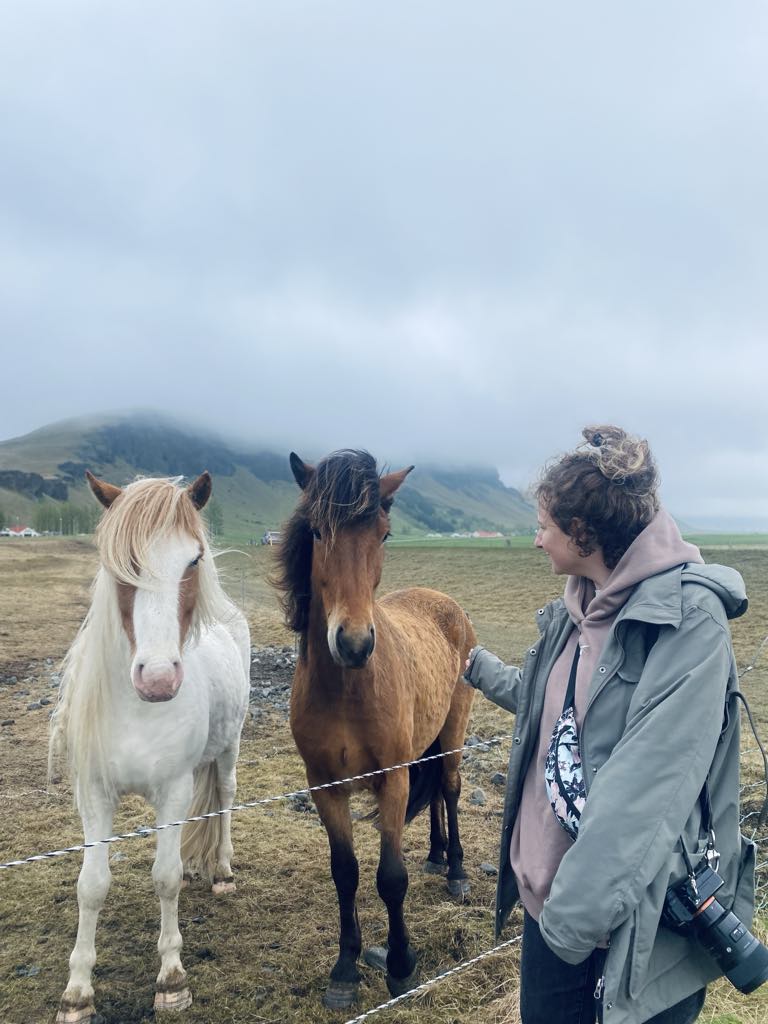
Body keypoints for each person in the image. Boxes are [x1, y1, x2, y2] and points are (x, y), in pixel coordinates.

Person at [463, 425, 755, 1024]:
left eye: (544, 526)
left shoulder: (687, 623)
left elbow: (643, 793)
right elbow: (557, 713)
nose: (536, 540)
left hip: (622, 929)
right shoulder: (578, 606)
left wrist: (567, 929)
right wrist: (477, 668)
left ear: (582, 532)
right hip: (555, 912)